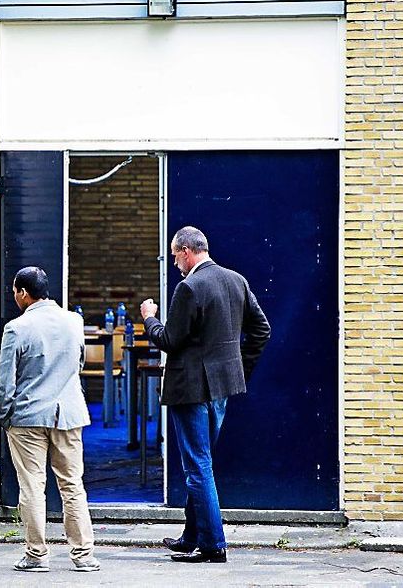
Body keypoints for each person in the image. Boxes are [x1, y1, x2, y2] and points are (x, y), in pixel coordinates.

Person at [140, 226, 271, 564]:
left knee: (198, 466)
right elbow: (262, 329)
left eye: (174, 255)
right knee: (202, 462)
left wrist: (150, 319)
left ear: (186, 250)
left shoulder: (190, 287)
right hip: (221, 390)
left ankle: (213, 545)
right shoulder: (236, 280)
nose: (173, 263)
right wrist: (239, 370)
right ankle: (191, 536)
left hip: (191, 390)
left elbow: (169, 340)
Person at [0, 266, 100, 573]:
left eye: (15, 292)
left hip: (28, 416)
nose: (14, 297)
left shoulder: (17, 328)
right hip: (68, 414)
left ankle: (37, 554)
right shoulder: (74, 321)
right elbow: (78, 363)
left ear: (24, 294)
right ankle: (83, 555)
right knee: (72, 485)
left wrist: (5, 416)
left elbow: (5, 382)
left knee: (32, 486)